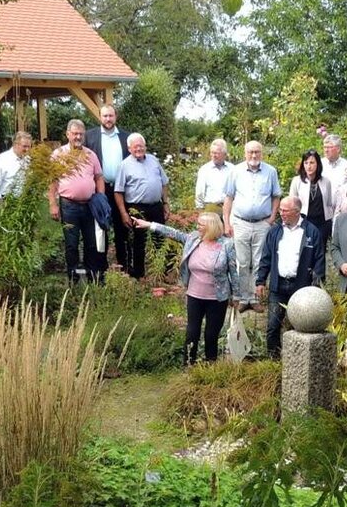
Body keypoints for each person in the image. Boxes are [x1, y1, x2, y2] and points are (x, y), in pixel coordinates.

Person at [133, 213, 241, 364]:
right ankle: (189, 364)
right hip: (194, 295)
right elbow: (172, 232)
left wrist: (237, 296)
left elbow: (233, 272)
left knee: (211, 334)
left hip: (217, 298)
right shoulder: (193, 239)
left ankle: (211, 365)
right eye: (197, 224)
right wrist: (149, 225)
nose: (197, 227)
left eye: (201, 225)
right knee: (192, 332)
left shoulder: (227, 245)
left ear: (211, 227)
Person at [255, 197, 325, 357]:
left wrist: (316, 287)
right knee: (273, 325)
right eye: (280, 210)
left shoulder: (311, 232)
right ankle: (273, 359)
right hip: (278, 286)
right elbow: (266, 257)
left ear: (297, 211)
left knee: (300, 326)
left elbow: (319, 261)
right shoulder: (275, 231)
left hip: (301, 288)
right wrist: (260, 281)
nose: (281, 213)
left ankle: (297, 360)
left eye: (285, 211)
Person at [223, 140, 282, 312]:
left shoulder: (270, 172)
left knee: (259, 262)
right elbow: (228, 198)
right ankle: (243, 298)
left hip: (262, 224)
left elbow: (276, 196)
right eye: (250, 152)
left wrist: (271, 219)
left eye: (257, 152)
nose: (254, 155)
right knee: (242, 262)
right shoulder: (235, 171)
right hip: (240, 222)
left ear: (261, 153)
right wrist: (227, 222)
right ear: (245, 153)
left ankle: (255, 299)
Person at [49, 119, 105, 283]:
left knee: (91, 243)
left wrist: (100, 198)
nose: (78, 137)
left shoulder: (90, 154)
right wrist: (52, 203)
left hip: (89, 206)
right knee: (71, 244)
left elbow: (99, 178)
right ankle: (73, 279)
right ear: (68, 134)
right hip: (68, 206)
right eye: (75, 134)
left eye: (81, 134)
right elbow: (52, 181)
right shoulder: (58, 155)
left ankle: (91, 277)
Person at [114, 133, 170, 279]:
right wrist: (123, 213)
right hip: (137, 208)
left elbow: (164, 182)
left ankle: (162, 272)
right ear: (129, 148)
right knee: (139, 241)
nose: (139, 149)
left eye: (141, 145)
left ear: (145, 146)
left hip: (156, 206)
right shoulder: (124, 165)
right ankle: (138, 274)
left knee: (160, 238)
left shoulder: (153, 160)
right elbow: (118, 191)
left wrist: (165, 203)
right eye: (135, 146)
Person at [84, 104, 130, 269]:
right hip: (100, 190)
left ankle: (123, 264)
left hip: (121, 189)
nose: (108, 119)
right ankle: (100, 264)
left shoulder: (126, 137)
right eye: (105, 116)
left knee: (121, 227)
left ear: (115, 116)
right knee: (100, 226)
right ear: (100, 117)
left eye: (111, 116)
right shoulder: (89, 137)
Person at [288, 149, 335, 254]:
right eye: (306, 163)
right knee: (304, 251)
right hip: (304, 221)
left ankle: (319, 271)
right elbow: (292, 202)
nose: (309, 166)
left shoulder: (326, 181)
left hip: (322, 223)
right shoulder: (297, 181)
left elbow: (328, 203)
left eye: (312, 162)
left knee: (320, 252)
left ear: (318, 164)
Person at [0, 131, 32, 200]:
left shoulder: (28, 159)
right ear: (15, 144)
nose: (27, 149)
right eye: (24, 146)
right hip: (7, 201)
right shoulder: (2, 159)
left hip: (26, 201)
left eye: (29, 146)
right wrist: (0, 202)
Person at [195, 138, 233, 214]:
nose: (214, 155)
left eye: (217, 153)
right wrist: (200, 212)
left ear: (225, 154)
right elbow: (199, 192)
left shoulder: (232, 169)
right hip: (211, 208)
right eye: (212, 153)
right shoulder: (204, 170)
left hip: (229, 208)